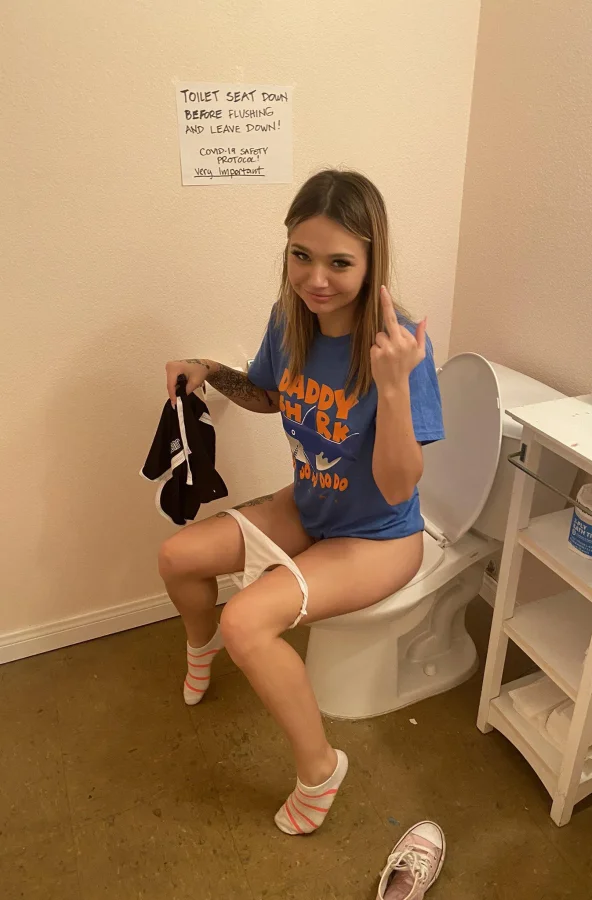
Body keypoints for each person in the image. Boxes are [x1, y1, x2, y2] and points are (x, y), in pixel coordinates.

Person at [160, 169, 445, 835]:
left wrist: (392, 386)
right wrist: (209, 370)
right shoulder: (289, 319)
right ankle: (200, 645)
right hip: (311, 504)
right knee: (177, 557)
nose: (316, 279)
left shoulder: (399, 347)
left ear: (371, 261)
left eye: (339, 263)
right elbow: (269, 395)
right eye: (301, 256)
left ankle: (320, 768)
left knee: (247, 622)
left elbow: (399, 486)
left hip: (378, 535)